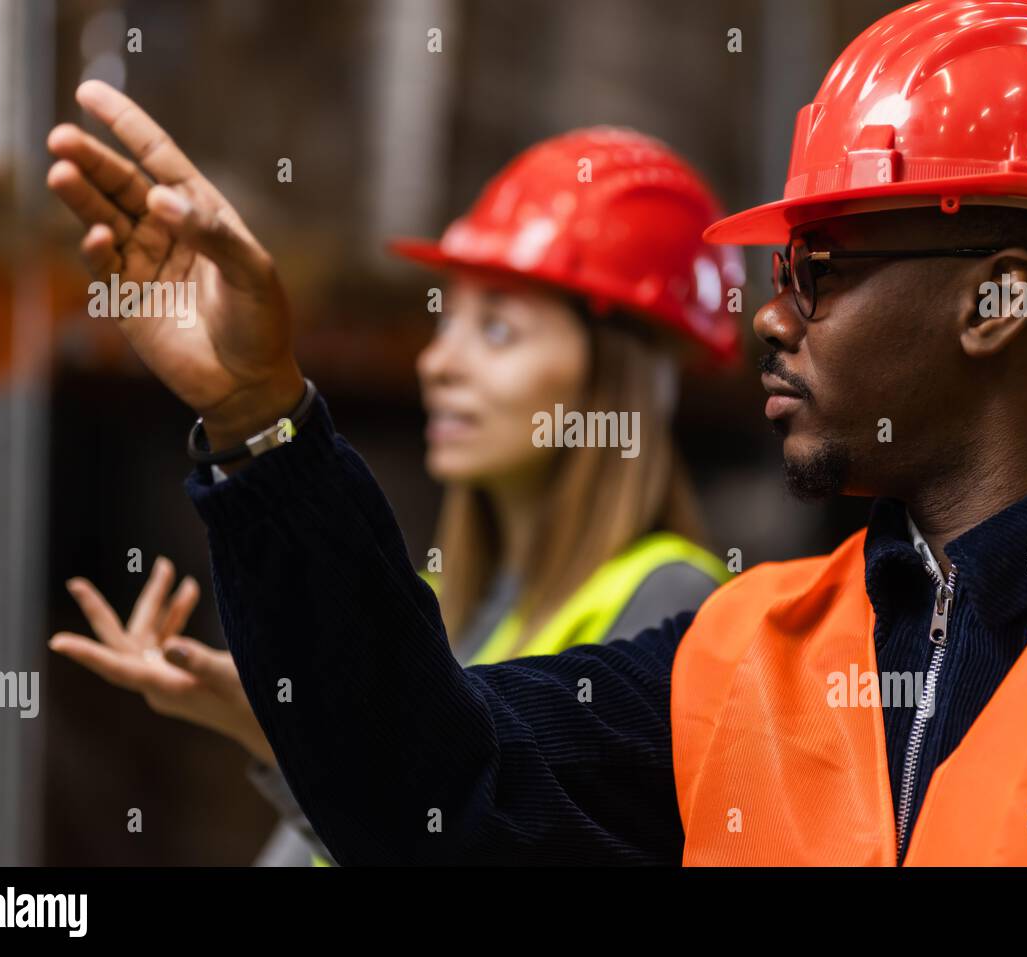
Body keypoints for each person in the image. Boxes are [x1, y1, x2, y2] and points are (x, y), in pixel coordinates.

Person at [47, 0, 1027, 865]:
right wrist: (260, 418)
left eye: (816, 269)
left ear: (997, 301)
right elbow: (425, 788)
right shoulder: (738, 656)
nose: (769, 318)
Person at [47, 128, 742, 864]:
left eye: (499, 329)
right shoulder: (433, 604)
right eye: (446, 321)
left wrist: (292, 733)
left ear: (614, 380)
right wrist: (291, 724)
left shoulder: (676, 603)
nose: (438, 361)